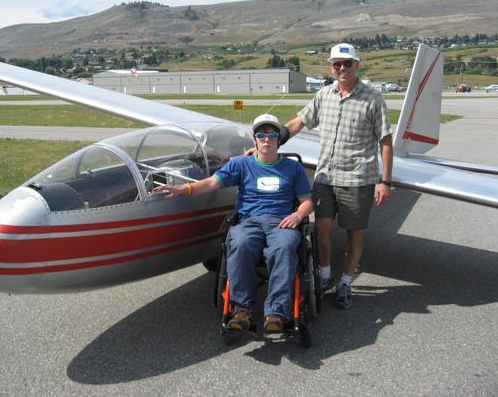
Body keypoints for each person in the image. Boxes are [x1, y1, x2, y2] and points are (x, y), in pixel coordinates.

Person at [155, 114, 313, 333]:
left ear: (279, 139)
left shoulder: (293, 168)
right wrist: (184, 189)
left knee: (284, 247)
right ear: (254, 139)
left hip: (281, 221)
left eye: (272, 134)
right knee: (240, 245)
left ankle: (276, 312)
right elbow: (212, 183)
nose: (267, 139)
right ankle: (242, 310)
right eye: (261, 134)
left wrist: (297, 216)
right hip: (249, 221)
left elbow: (307, 202)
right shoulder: (240, 164)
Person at [263, 43, 393, 310]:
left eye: (347, 63)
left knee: (353, 232)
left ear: (357, 65)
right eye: (337, 64)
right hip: (325, 177)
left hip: (358, 179)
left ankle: (345, 282)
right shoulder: (324, 95)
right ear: (331, 67)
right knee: (321, 229)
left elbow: (386, 141)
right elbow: (298, 123)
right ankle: (324, 276)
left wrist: (385, 181)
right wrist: (271, 141)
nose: (342, 68)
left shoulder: (373, 99)